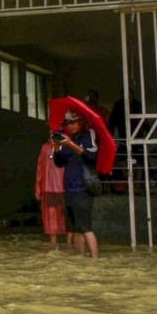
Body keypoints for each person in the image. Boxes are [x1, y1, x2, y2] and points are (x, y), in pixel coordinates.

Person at [52, 111, 100, 259]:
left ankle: (95, 260)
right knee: (75, 229)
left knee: (85, 227)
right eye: (68, 124)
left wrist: (71, 144)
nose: (71, 126)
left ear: (81, 122)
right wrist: (56, 147)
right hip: (69, 189)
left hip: (83, 188)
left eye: (73, 122)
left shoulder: (88, 135)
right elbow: (59, 163)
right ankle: (81, 258)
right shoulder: (67, 139)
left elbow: (91, 157)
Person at [35, 134, 69, 250]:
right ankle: (53, 242)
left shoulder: (67, 147)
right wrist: (38, 188)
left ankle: (69, 242)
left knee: (66, 215)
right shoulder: (45, 148)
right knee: (51, 216)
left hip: (65, 187)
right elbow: (40, 168)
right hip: (49, 187)